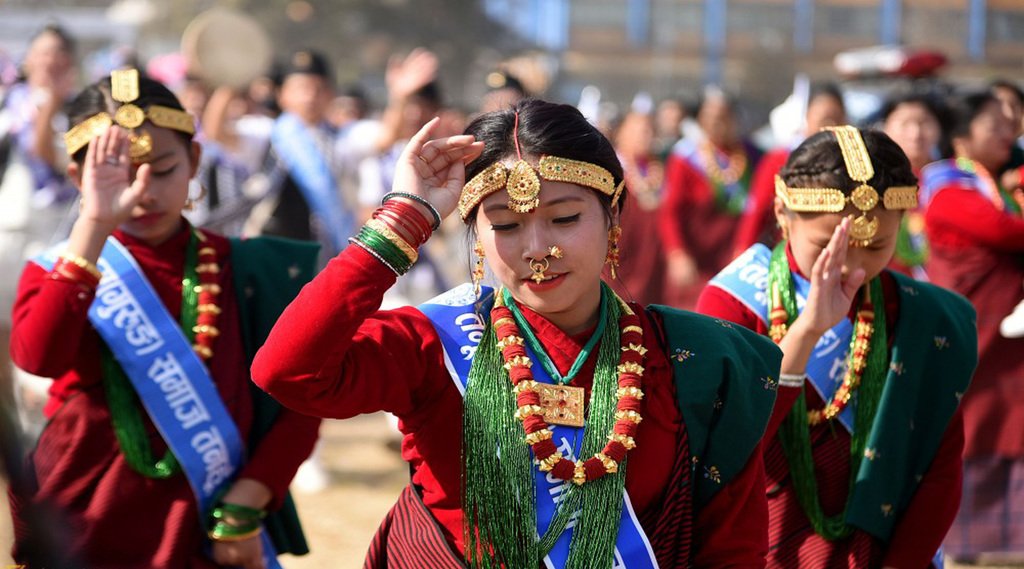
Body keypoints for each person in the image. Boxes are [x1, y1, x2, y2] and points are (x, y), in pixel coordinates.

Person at [252, 98, 783, 567]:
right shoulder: (435, 346)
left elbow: (731, 548)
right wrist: (403, 221)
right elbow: (286, 370)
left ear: (613, 218)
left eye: (565, 218)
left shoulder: (696, 361)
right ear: (477, 239)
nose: (537, 248)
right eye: (505, 225)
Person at [7, 70, 320, 569]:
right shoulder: (60, 270)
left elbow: (299, 400)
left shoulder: (251, 269)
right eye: (118, 173)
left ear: (195, 159)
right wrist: (93, 226)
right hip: (84, 527)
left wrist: (249, 499)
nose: (141, 192)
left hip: (207, 527)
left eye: (161, 168)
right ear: (76, 178)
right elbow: (39, 357)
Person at [698, 126, 976, 568]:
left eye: (875, 246)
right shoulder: (733, 302)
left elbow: (938, 467)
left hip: (884, 549)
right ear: (782, 213)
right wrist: (806, 332)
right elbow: (724, 454)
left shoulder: (925, 318)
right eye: (829, 245)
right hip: (765, 546)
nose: (851, 265)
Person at [920, 91, 1024, 562]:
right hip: (974, 339)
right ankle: (965, 545)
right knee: (976, 435)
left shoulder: (997, 185)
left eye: (1011, 123)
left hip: (1005, 345)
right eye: (994, 124)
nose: (1008, 132)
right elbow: (1006, 233)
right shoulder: (948, 190)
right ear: (962, 136)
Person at [659, 89, 762, 309]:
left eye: (724, 116)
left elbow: (759, 208)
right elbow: (670, 211)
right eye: (711, 117)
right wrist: (677, 252)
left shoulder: (752, 156)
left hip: (735, 259)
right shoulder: (686, 158)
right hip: (697, 261)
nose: (717, 123)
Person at [734, 83, 847, 255]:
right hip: (790, 256)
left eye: (836, 119)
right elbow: (757, 210)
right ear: (808, 117)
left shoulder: (852, 161)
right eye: (824, 120)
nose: (830, 126)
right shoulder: (780, 159)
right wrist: (743, 249)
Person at [879, 93, 946, 279]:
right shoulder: (877, 181)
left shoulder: (951, 176)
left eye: (924, 122)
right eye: (905, 123)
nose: (916, 133)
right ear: (886, 127)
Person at [610, 110, 667, 306]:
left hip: (651, 263)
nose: (647, 136)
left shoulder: (657, 168)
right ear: (621, 132)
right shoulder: (612, 168)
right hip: (619, 259)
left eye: (650, 130)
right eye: (640, 130)